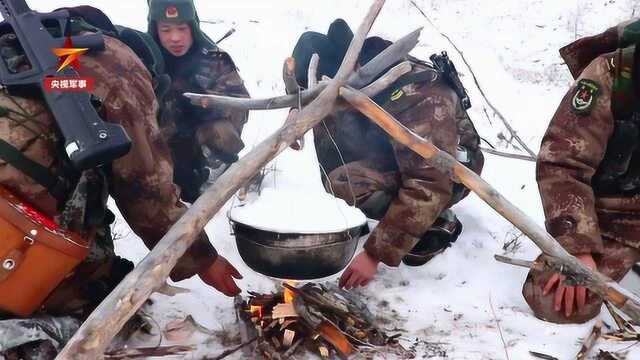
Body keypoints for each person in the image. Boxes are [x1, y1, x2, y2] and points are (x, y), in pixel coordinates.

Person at [0, 7, 242, 358]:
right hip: (14, 216)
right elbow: (145, 189)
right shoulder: (120, 66)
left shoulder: (29, 43)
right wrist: (202, 258)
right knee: (99, 301)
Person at [290, 19, 484, 289]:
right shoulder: (360, 69)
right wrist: (296, 115)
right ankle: (398, 214)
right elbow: (301, 90)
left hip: (449, 174)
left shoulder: (417, 95)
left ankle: (434, 223)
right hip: (396, 150)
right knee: (331, 124)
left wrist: (375, 253)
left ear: (350, 69)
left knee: (347, 182)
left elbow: (431, 181)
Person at [523, 19, 640, 324]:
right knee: (554, 301)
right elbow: (562, 164)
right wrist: (577, 247)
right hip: (618, 215)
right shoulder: (613, 75)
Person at [147, 0, 250, 203]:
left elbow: (241, 104)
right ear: (155, 29)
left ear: (193, 26)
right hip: (159, 143)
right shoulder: (145, 60)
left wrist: (209, 107)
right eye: (166, 30)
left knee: (221, 131)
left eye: (182, 28)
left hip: (201, 141)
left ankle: (210, 176)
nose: (175, 38)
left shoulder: (213, 59)